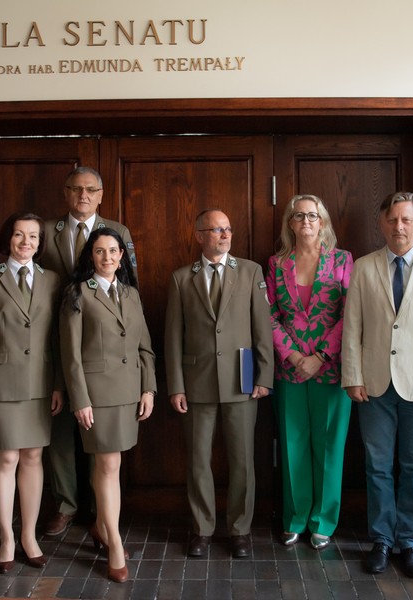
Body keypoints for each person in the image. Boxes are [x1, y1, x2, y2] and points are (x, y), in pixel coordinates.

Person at [341, 192, 413, 577]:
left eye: (406, 220)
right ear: (382, 223)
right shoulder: (364, 267)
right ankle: (381, 540)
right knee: (377, 467)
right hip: (374, 385)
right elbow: (353, 328)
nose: (399, 227)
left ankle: (409, 541)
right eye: (392, 220)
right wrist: (353, 377)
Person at [164, 209, 273, 559]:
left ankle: (240, 530)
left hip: (242, 379)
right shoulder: (182, 278)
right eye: (215, 229)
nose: (224, 235)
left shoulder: (251, 271)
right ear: (199, 235)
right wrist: (175, 386)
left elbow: (263, 330)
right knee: (198, 460)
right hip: (196, 382)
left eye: (228, 228)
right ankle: (202, 529)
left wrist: (264, 376)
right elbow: (173, 338)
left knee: (242, 460)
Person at [39, 166, 139, 537]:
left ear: (101, 194)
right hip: (53, 338)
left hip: (101, 345)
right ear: (66, 192)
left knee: (103, 443)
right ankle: (66, 505)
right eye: (76, 189)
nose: (83, 195)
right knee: (63, 428)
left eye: (91, 189)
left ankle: (102, 514)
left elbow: (129, 284)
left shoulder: (118, 233)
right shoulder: (47, 231)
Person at [59, 228, 156, 584]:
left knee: (110, 466)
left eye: (114, 251)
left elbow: (145, 346)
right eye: (100, 252)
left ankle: (101, 526)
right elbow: (70, 356)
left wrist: (149, 390)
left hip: (129, 393)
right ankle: (114, 542)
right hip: (96, 397)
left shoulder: (131, 294)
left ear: (121, 255)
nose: (108, 258)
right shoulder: (77, 294)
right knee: (108, 463)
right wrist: (79, 399)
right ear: (91, 257)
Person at [0, 212, 65, 574]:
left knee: (32, 458)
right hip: (2, 384)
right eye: (19, 235)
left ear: (40, 244)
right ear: (7, 238)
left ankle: (29, 536)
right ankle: (6, 537)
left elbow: (58, 340)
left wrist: (58, 383)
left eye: (33, 237)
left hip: (40, 384)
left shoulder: (52, 281)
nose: (26, 242)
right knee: (6, 459)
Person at [265, 194, 353, 550]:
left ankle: (323, 522)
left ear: (323, 222)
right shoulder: (275, 264)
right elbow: (268, 314)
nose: (306, 221)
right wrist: (293, 355)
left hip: (330, 370)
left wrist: (320, 355)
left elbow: (352, 313)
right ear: (290, 222)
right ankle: (295, 518)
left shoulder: (343, 260)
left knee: (329, 447)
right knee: (293, 444)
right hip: (290, 370)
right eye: (298, 215)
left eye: (312, 216)